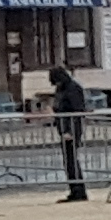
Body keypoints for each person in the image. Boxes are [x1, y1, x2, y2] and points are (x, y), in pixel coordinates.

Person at [45, 61, 90, 203]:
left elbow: (78, 110)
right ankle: (74, 189)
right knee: (68, 161)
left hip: (71, 129)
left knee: (72, 161)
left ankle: (79, 191)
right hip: (63, 128)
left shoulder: (73, 89)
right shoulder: (62, 89)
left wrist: (70, 131)